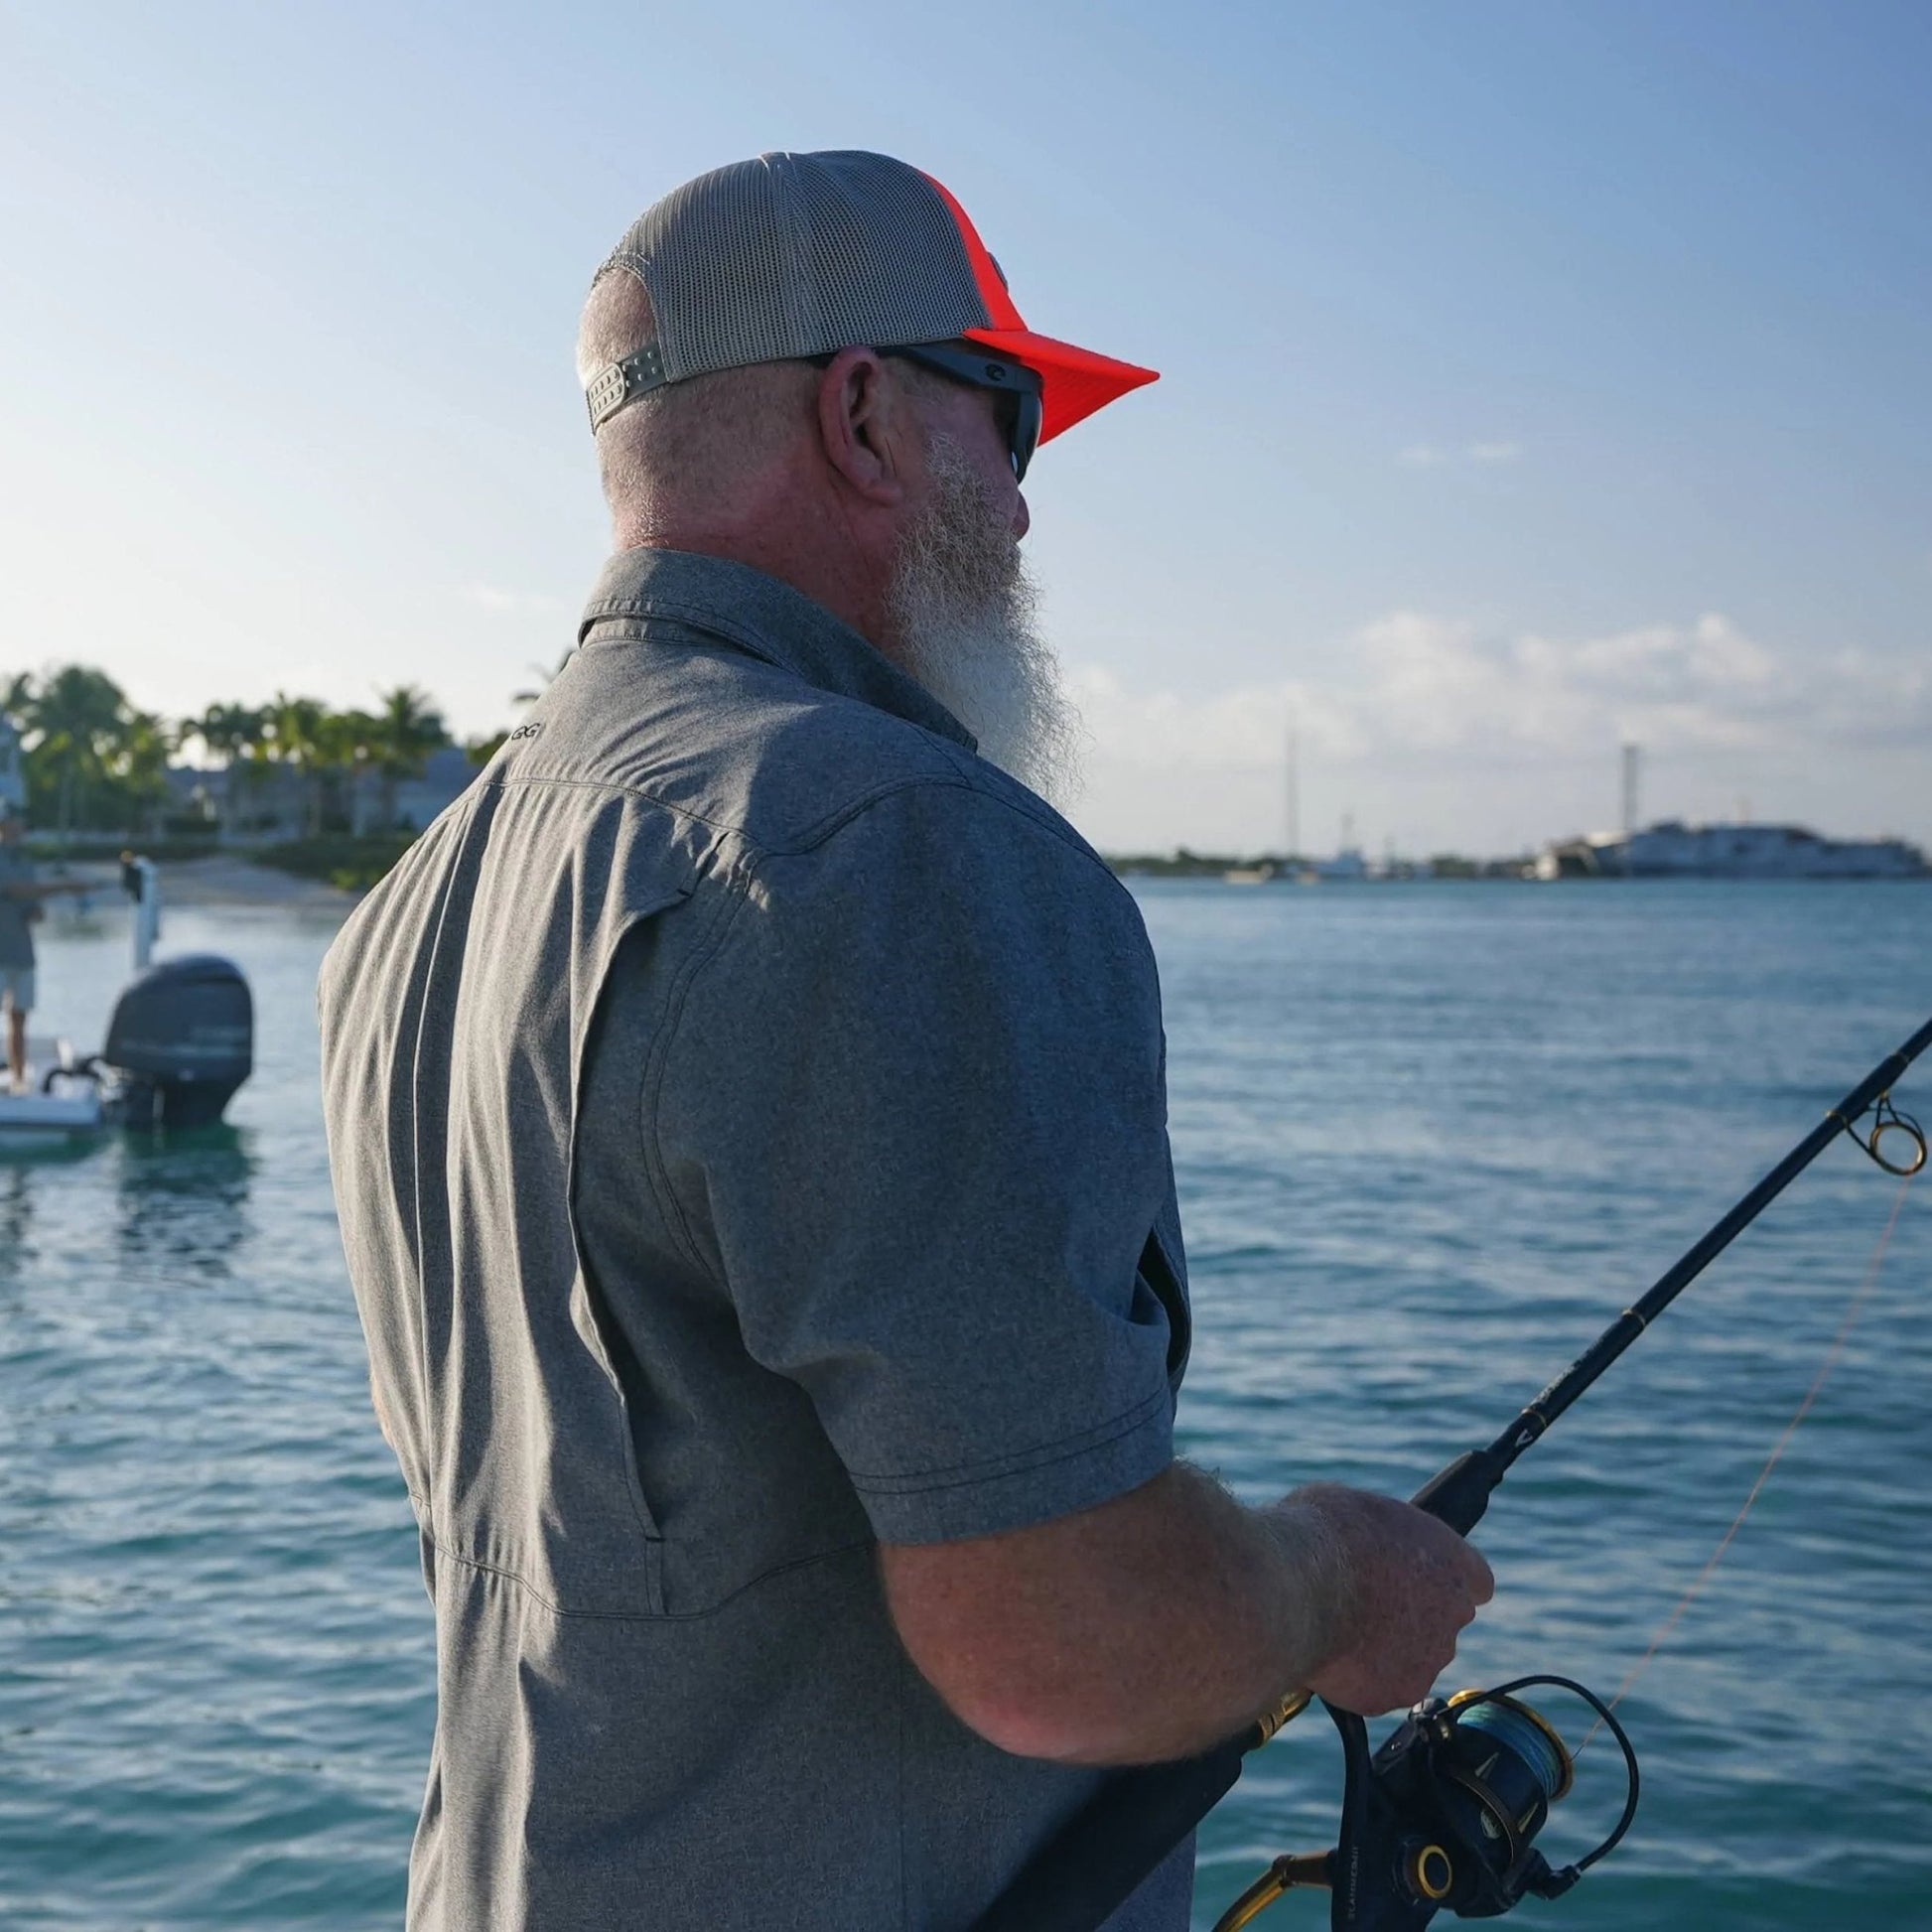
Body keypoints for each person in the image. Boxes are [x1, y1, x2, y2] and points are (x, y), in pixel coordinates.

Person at [318, 150, 1492, 1932]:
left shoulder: (410, 908)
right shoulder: (893, 846)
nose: (1022, 509)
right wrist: (1334, 1581)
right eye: (1007, 420)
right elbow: (1058, 1639)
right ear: (864, 412)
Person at [0, 808, 87, 1091]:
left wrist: (36, 912)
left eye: (21, 825)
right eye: (13, 824)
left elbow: (31, 901)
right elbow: (15, 890)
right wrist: (65, 886)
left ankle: (18, 1077)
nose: (18, 830)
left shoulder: (26, 862)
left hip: (23, 953)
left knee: (20, 1018)